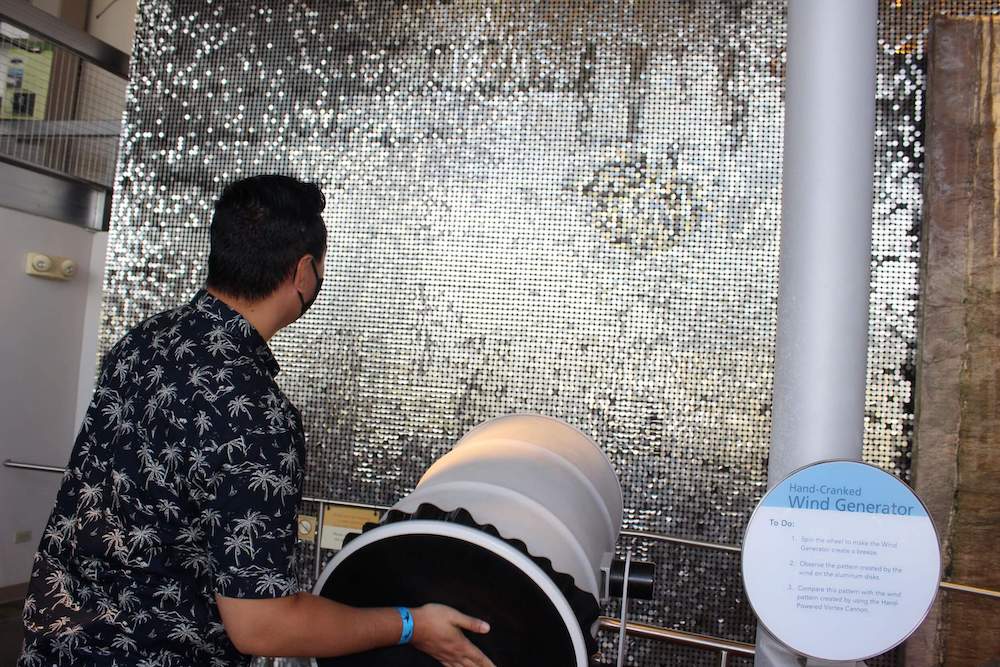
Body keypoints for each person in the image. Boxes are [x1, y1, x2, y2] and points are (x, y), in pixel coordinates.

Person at [18, 175, 495, 667]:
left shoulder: (141, 343)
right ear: (305, 272)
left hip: (54, 644)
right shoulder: (257, 417)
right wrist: (411, 625)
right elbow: (262, 626)